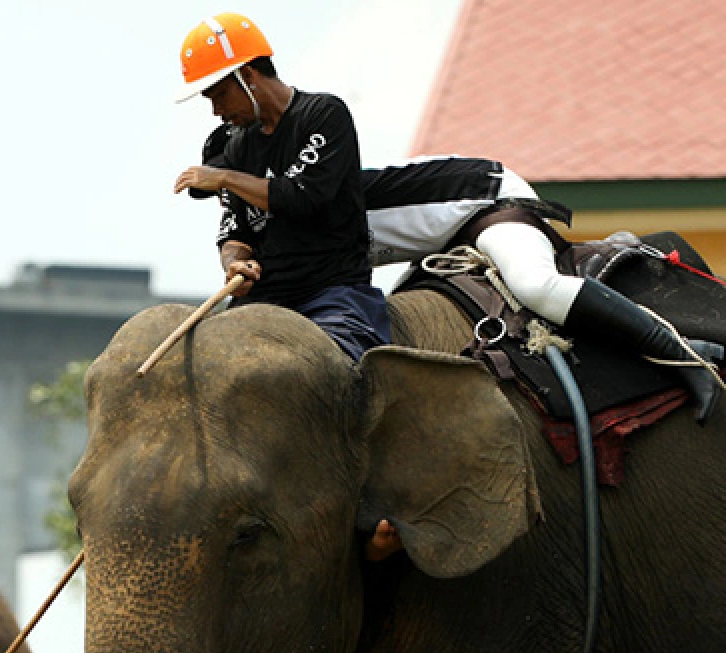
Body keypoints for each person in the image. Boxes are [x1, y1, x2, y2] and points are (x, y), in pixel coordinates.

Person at [361, 155, 724, 424]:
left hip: (488, 202)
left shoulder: (315, 200)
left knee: (535, 287)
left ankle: (684, 355)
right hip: (443, 239)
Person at [171, 13, 388, 362]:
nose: (216, 111)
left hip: (332, 295)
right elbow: (235, 230)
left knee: (345, 373)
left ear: (247, 75)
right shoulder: (238, 145)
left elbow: (302, 197)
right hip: (262, 298)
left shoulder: (324, 114)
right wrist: (235, 263)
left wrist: (226, 177)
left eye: (220, 95)